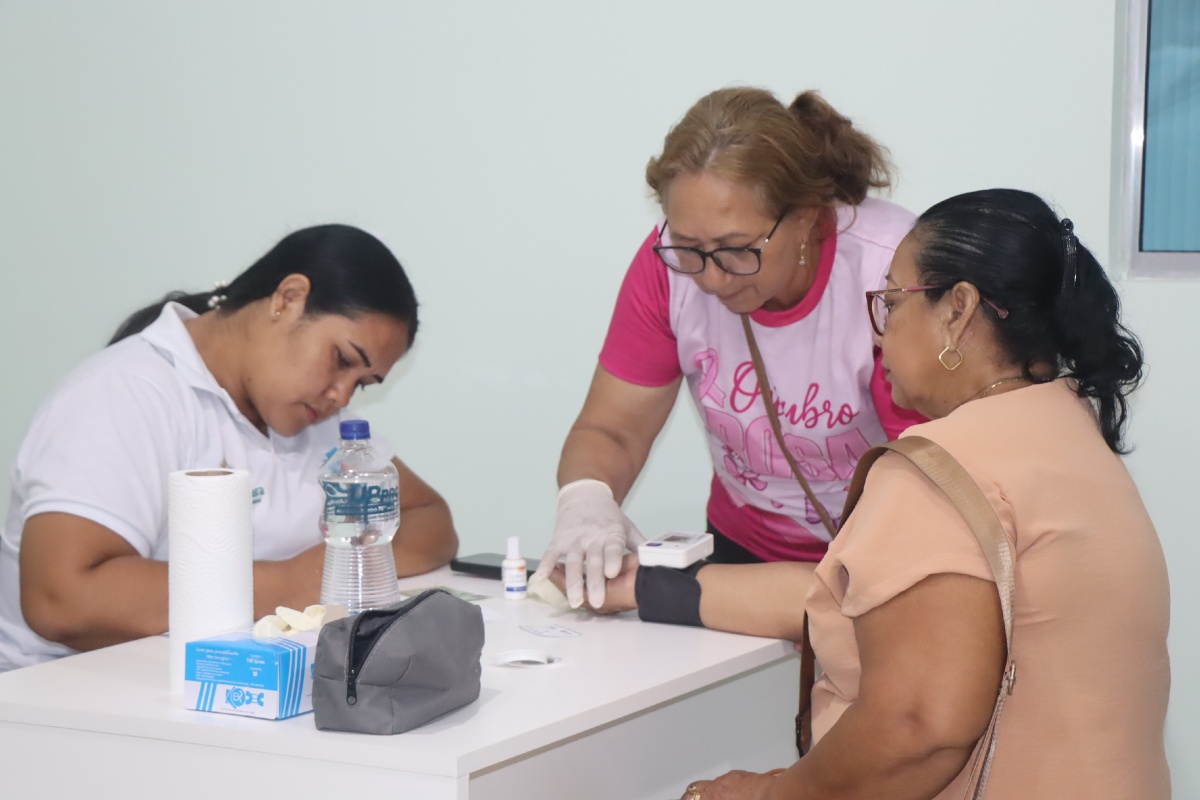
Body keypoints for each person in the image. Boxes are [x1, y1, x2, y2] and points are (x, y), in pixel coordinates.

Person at [672, 189, 1171, 799]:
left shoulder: (942, 467)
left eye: (890, 302)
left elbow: (919, 727)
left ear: (958, 309)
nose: (877, 336)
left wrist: (768, 795)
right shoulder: (1072, 433)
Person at [0, 224, 459, 672]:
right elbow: (61, 599)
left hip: (225, 688)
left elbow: (431, 521)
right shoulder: (124, 393)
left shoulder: (317, 419)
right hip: (65, 703)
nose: (341, 395)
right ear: (289, 299)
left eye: (361, 383)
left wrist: (338, 567)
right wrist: (297, 581)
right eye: (340, 359)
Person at [536, 86, 923, 609]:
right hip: (742, 547)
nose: (713, 281)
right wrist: (585, 498)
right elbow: (613, 428)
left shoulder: (888, 272)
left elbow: (928, 471)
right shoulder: (665, 268)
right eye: (690, 249)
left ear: (808, 215)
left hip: (887, 548)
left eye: (738, 250)